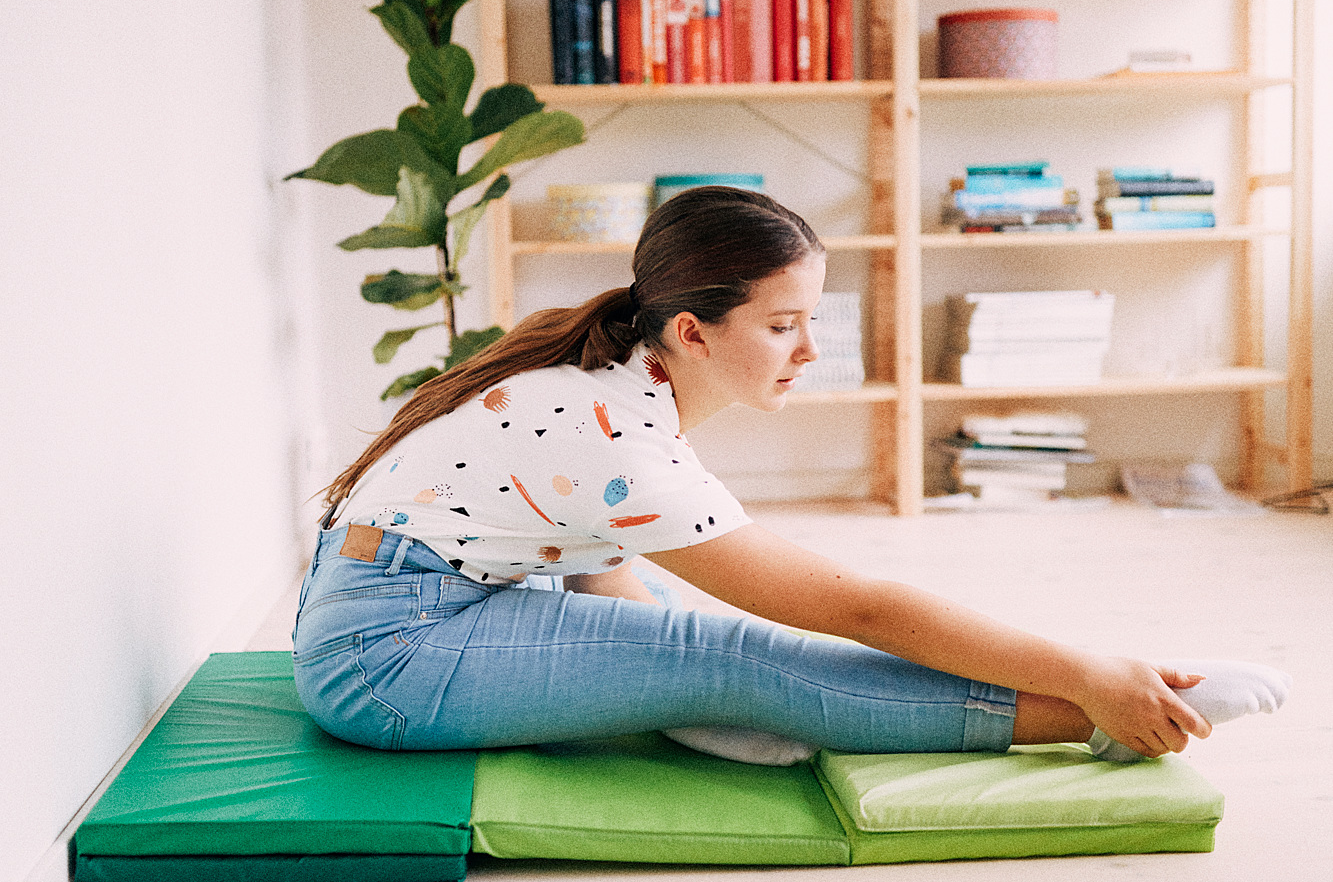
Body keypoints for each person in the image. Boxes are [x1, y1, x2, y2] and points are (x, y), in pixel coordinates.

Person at [292, 186, 1289, 765]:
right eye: (782, 325)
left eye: (811, 319)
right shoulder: (612, 430)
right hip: (388, 656)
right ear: (693, 330)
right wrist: (1085, 674)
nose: (810, 349)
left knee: (695, 647)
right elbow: (855, 607)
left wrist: (664, 677)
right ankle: (1105, 718)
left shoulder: (615, 378)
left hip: (401, 602)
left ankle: (707, 705)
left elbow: (597, 560)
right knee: (737, 655)